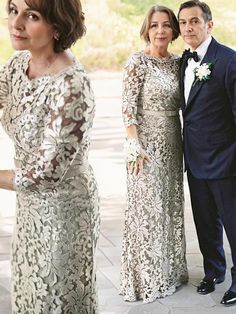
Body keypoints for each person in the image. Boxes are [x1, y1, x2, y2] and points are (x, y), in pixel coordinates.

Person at [0, 0, 100, 312]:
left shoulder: (72, 84)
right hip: (29, 208)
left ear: (57, 26)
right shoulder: (18, 64)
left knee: (54, 296)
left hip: (63, 208)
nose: (16, 24)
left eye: (32, 16)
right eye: (13, 10)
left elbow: (44, 175)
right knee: (29, 291)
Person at [120, 5, 188, 303]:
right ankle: (145, 277)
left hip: (173, 142)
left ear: (174, 30)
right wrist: (134, 145)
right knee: (146, 209)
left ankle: (169, 271)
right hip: (144, 147)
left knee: (169, 205)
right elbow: (127, 107)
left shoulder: (179, 63)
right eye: (154, 25)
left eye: (165, 25)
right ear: (147, 29)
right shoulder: (137, 62)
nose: (160, 30)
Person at [178, 0, 236, 307]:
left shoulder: (228, 61)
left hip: (226, 161)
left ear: (208, 24)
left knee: (233, 224)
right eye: (183, 22)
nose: (188, 27)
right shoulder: (182, 63)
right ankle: (215, 272)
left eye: (195, 21)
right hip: (195, 160)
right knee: (205, 222)